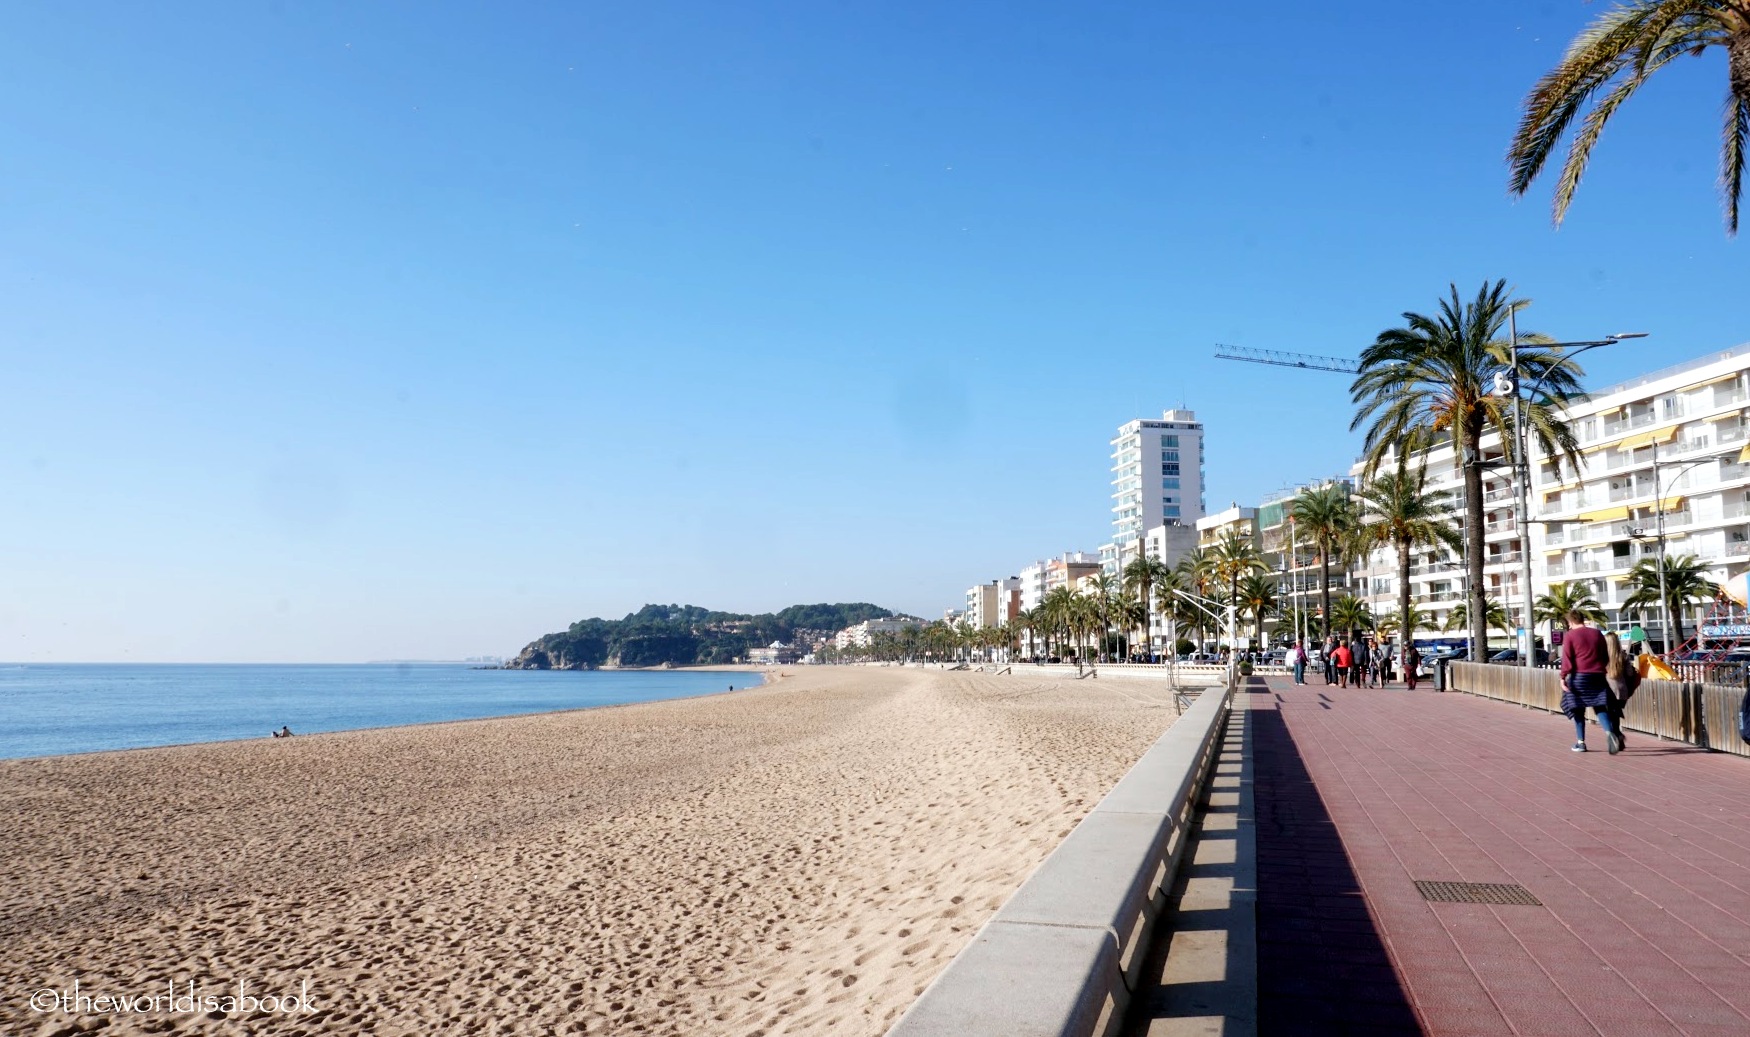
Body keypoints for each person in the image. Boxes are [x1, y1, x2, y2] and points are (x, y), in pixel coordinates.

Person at [1560, 611, 1623, 754]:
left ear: (1571, 622)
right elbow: (1605, 657)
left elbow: (1567, 660)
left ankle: (1581, 743)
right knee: (1600, 706)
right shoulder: (1597, 634)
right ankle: (1609, 733)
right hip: (1597, 676)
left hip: (1579, 677)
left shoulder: (1570, 635)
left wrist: (1563, 677)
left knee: (1577, 708)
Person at [1604, 632, 1641, 748]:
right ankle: (1618, 735)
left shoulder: (1602, 657)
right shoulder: (1623, 656)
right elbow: (1630, 674)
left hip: (1608, 691)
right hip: (1622, 691)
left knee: (1609, 715)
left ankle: (1616, 735)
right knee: (1615, 714)